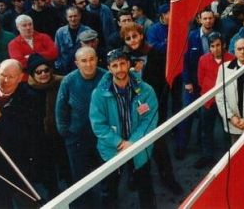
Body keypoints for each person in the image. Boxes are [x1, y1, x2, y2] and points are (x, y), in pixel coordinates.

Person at [89, 49, 158, 208]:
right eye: (114, 65)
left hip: (139, 148)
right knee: (109, 191)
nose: (119, 69)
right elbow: (98, 125)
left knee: (145, 187)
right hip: (111, 150)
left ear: (128, 64)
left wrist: (133, 142)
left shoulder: (146, 90)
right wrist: (119, 143)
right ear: (109, 68)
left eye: (122, 64)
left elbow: (150, 119)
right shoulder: (98, 94)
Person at [120, 22, 183, 195]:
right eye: (128, 38)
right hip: (131, 110)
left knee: (159, 146)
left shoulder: (154, 53)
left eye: (135, 36)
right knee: (132, 144)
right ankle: (134, 175)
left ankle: (167, 178)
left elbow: (164, 81)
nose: (132, 41)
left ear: (141, 35)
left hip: (153, 107)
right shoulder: (122, 57)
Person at [0, 59, 39, 208]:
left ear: (20, 77)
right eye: (2, 75)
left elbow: (25, 135)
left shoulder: (30, 97)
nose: (5, 80)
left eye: (11, 77)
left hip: (19, 160)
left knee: (28, 200)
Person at [55, 47, 106, 195]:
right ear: (77, 63)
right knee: (80, 177)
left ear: (97, 59)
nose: (88, 64)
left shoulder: (106, 77)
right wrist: (66, 132)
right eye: (84, 61)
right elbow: (61, 109)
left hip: (102, 135)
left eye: (91, 59)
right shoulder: (68, 81)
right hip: (77, 136)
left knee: (106, 172)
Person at [175, 9, 216, 159]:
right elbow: (184, 61)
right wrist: (186, 81)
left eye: (210, 18)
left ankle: (201, 143)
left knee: (205, 116)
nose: (208, 21)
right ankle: (181, 146)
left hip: (208, 84)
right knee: (187, 115)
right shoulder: (191, 37)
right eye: (205, 18)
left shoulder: (217, 37)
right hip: (191, 83)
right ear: (199, 20)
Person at [26, 53, 69, 198]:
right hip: (40, 138)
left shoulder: (61, 83)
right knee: (48, 174)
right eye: (38, 72)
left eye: (46, 70)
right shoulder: (27, 90)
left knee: (68, 170)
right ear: (32, 74)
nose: (43, 74)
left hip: (61, 133)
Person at [195, 32, 234, 169]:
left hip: (226, 100)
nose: (215, 49)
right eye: (212, 46)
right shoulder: (203, 59)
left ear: (223, 45)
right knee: (206, 130)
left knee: (227, 130)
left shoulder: (232, 58)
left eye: (218, 45)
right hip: (209, 100)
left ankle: (230, 156)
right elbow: (200, 80)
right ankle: (208, 156)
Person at [54, 7, 91, 75]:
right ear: (66, 17)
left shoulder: (88, 31)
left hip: (83, 67)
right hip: (65, 68)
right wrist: (59, 65)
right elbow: (57, 51)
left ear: (80, 16)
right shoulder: (60, 32)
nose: (73, 19)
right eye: (70, 17)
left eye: (75, 16)